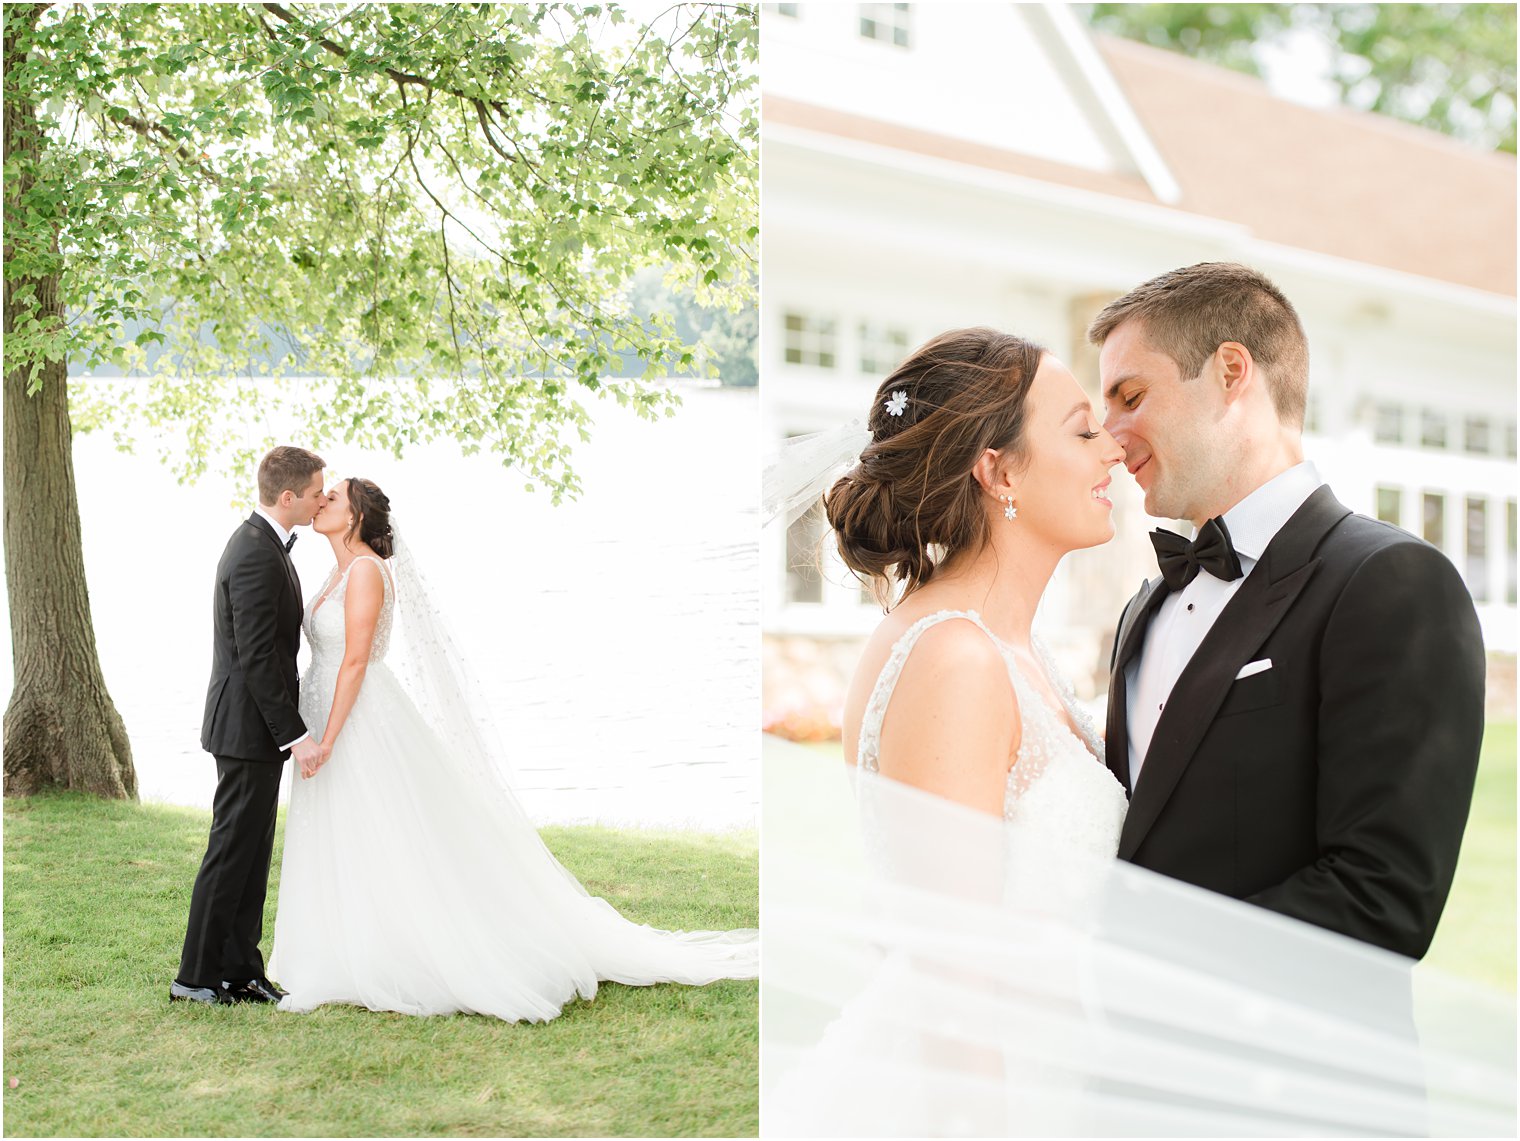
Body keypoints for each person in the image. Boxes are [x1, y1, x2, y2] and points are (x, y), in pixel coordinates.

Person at [1089, 261, 1484, 960]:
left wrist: (1141, 966)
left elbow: (1381, 897)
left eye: (1130, 395)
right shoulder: (1143, 608)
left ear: (1231, 372)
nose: (1111, 435)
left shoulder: (1391, 582)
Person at [269, 478, 757, 1020]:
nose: (322, 503)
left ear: (356, 516)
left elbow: (356, 660)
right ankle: (345, 946)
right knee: (348, 831)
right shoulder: (337, 570)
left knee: (382, 828)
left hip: (356, 719)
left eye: (333, 497)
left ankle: (397, 952)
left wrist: (328, 739)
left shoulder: (363, 571)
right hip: (327, 709)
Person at [173, 446, 330, 1006]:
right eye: (315, 493)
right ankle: (195, 977)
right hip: (246, 728)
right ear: (287, 497)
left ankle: (240, 970)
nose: (320, 501)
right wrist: (297, 734)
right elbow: (258, 658)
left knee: (253, 853)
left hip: (255, 729)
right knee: (231, 852)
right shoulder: (253, 554)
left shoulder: (266, 546)